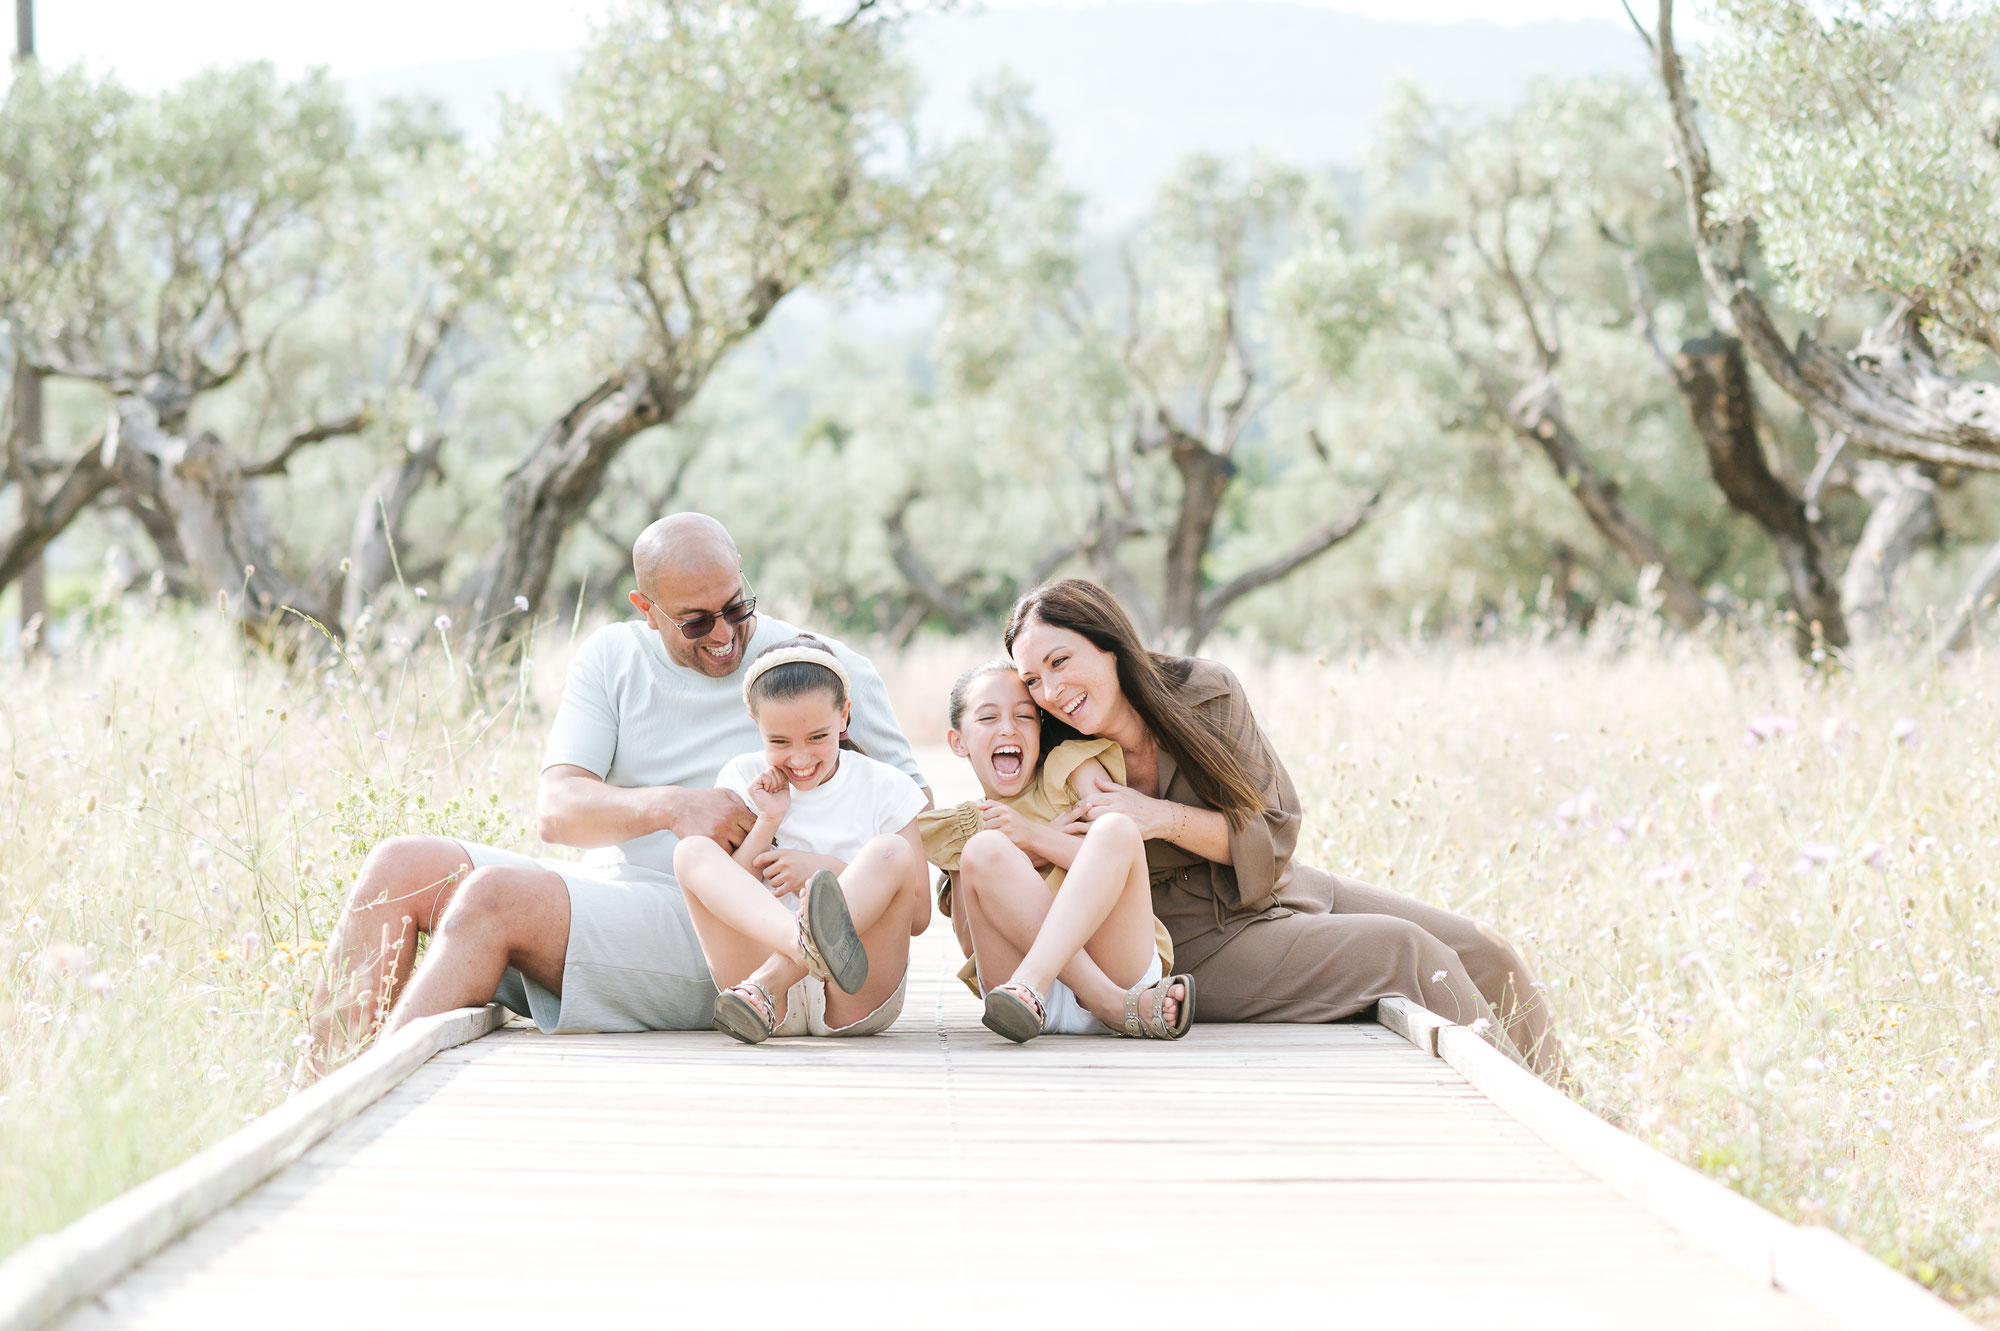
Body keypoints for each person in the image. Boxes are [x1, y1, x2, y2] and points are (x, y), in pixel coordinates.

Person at [302, 514, 928, 1073]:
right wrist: (673, 805)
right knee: (400, 866)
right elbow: (558, 812)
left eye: (737, 607)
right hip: (614, 900)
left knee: (495, 898)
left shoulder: (820, 670)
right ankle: (313, 1092)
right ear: (645, 607)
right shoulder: (610, 657)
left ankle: (368, 1089)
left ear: (742, 575)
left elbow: (918, 831)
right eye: (695, 621)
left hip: (731, 928)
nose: (724, 635)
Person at [1003, 578, 1564, 1080]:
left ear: (1109, 643)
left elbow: (1271, 832)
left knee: (1487, 951)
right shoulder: (1053, 750)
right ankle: (1534, 1118)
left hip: (1278, 886)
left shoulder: (1205, 692)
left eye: (1060, 661)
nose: (1050, 693)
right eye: (1032, 679)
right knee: (1407, 952)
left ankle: (1573, 1102)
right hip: (1191, 942)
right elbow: (980, 862)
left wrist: (1159, 818)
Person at [673, 637, 930, 1044]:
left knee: (891, 852)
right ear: (755, 721)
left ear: (844, 716)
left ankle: (777, 973)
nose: (800, 758)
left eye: (816, 737)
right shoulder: (742, 778)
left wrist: (828, 869)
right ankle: (799, 946)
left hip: (853, 998)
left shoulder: (886, 786)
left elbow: (918, 918)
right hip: (763, 1002)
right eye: (779, 742)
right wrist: (769, 819)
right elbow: (724, 894)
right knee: (691, 852)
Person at [920, 661, 1191, 1041]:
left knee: (1115, 828)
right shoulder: (967, 826)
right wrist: (1022, 856)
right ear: (958, 741)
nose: (1007, 728)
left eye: (1024, 716)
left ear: (1039, 727)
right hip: (1020, 995)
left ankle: (1070, 988)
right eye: (987, 718)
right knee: (983, 848)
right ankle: (1109, 1005)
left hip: (1110, 964)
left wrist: (1032, 837)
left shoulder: (1070, 769)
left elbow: (1117, 861)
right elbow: (972, 945)